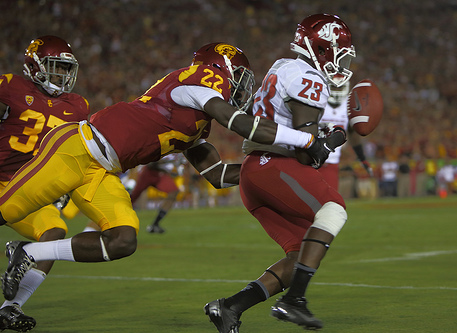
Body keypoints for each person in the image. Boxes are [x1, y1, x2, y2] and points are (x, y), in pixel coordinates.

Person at [0, 41, 346, 319]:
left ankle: (27, 255)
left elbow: (219, 176)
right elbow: (242, 125)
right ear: (221, 67)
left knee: (123, 240)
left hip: (101, 169)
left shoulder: (195, 121)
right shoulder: (198, 81)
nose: (242, 86)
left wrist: (272, 167)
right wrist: (307, 140)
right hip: (76, 151)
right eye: (239, 76)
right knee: (6, 209)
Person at [204, 14, 355, 332]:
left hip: (254, 174)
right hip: (273, 167)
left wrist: (328, 137)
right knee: (334, 210)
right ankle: (294, 301)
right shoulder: (309, 78)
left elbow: (295, 132)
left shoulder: (283, 67)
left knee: (301, 253)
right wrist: (333, 139)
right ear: (323, 48)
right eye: (339, 51)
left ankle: (230, 307)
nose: (341, 61)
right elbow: (307, 150)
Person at [0, 35, 89, 332]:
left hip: (26, 189)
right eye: (56, 67)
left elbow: (71, 152)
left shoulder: (77, 106)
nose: (62, 75)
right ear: (35, 65)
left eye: (66, 69)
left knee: (55, 232)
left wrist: (61, 185)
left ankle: (10, 307)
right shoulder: (10, 86)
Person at [317, 81, 373, 192]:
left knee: (330, 202)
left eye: (339, 87)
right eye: (334, 86)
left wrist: (362, 158)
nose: (336, 90)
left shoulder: (349, 105)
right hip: (310, 160)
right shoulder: (318, 100)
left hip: (332, 162)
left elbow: (353, 135)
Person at [129, 154, 187, 233]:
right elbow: (151, 163)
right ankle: (115, 219)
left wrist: (176, 167)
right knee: (132, 198)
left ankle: (155, 224)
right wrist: (171, 161)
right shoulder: (166, 144)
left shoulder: (178, 150)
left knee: (174, 192)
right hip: (148, 173)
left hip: (161, 173)